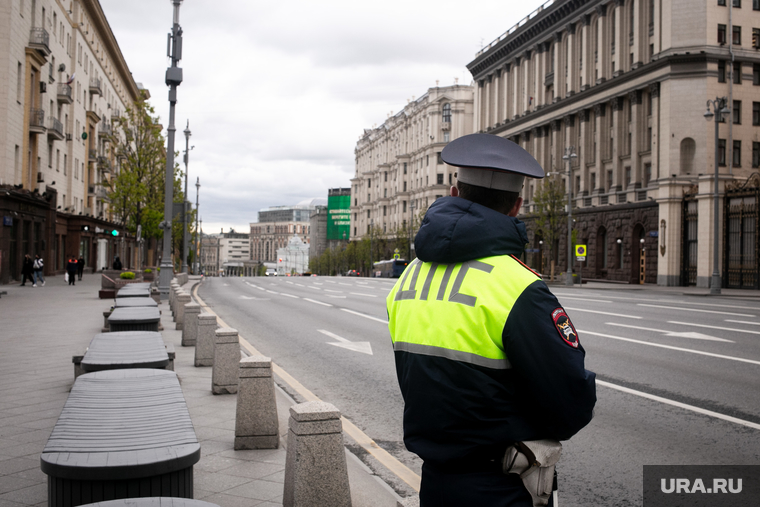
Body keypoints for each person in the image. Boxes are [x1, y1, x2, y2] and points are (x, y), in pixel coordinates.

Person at [386, 134, 597, 507]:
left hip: (435, 484)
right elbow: (570, 405)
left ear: (453, 192)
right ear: (516, 207)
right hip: (503, 489)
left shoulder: (410, 277)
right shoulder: (518, 285)